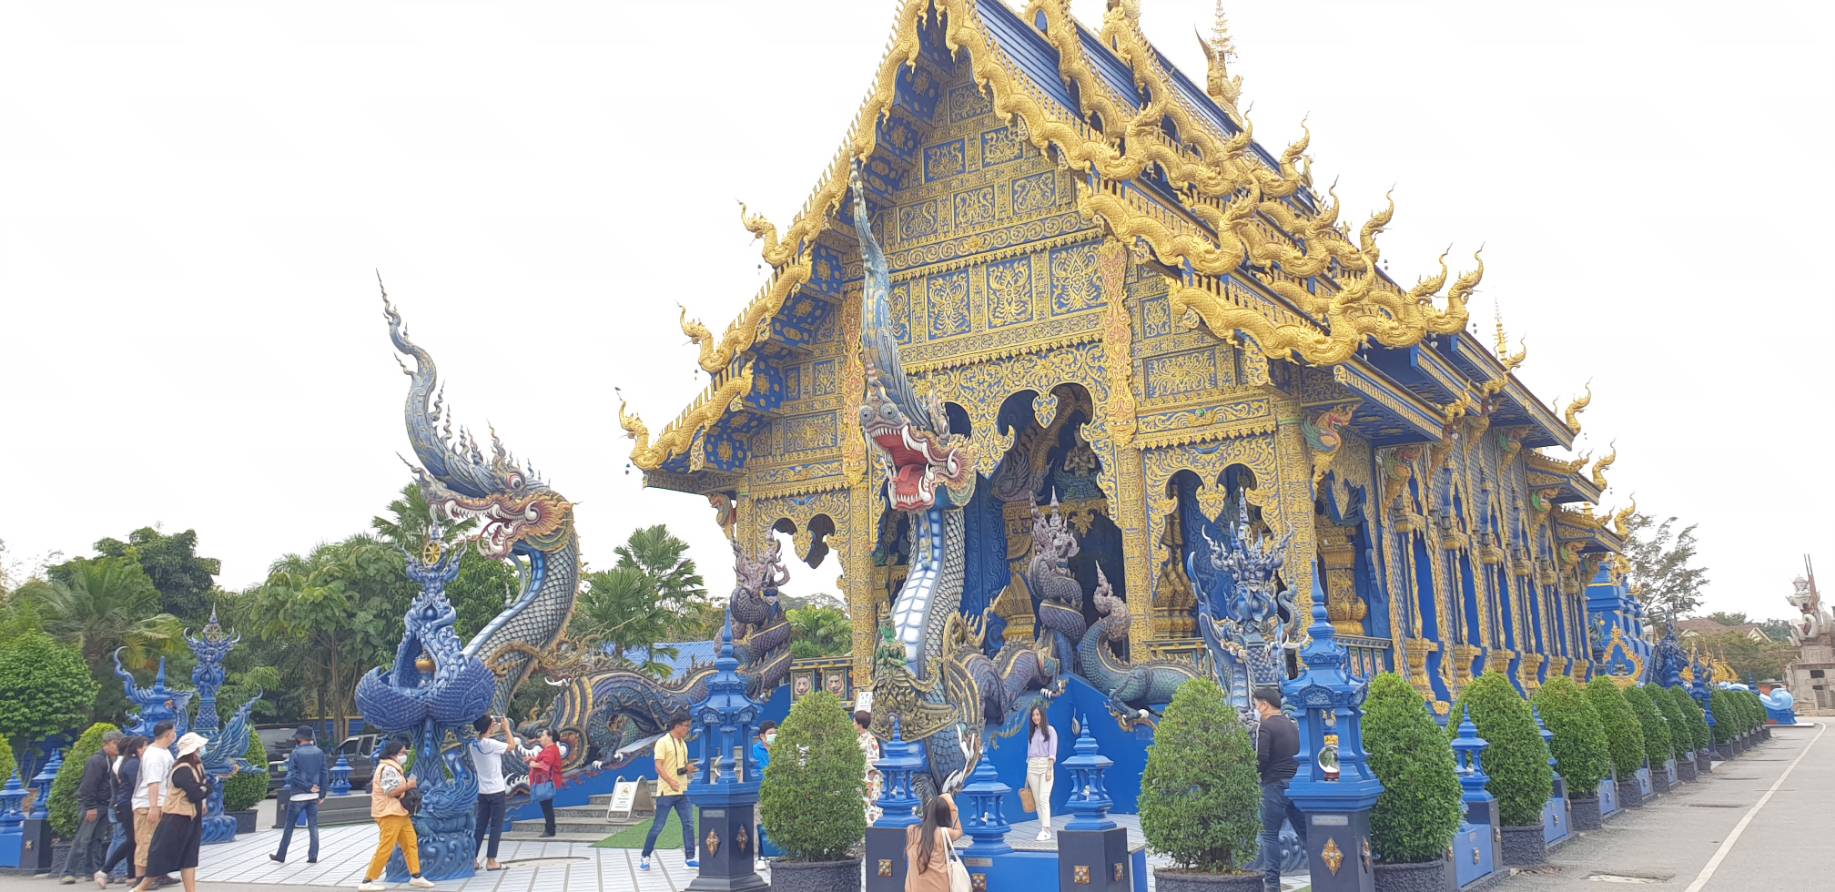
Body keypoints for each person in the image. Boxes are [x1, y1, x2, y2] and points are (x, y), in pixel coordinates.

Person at [131, 733, 223, 892]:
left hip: (191, 818)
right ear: (192, 751)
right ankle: (140, 888)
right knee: (161, 856)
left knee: (189, 857)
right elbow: (196, 792)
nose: (201, 751)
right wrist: (206, 787)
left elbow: (202, 788)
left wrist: (204, 788)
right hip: (175, 819)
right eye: (199, 749)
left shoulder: (197, 767)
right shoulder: (182, 769)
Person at [357, 739, 435, 892]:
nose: (405, 754)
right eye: (402, 752)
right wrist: (409, 785)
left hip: (398, 812)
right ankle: (367, 880)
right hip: (389, 813)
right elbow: (391, 790)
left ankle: (416, 875)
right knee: (386, 846)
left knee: (410, 842)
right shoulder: (388, 769)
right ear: (394, 754)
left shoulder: (392, 767)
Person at [1253, 687, 1304, 892]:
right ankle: (1324, 872)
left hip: (1273, 785)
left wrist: (1256, 776)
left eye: (1256, 704)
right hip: (1295, 784)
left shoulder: (1265, 727)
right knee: (1305, 832)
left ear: (1264, 704)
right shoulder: (1292, 725)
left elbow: (1262, 758)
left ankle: (1272, 883)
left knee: (1269, 835)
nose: (1256, 708)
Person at [62, 729, 122, 887]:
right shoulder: (97, 761)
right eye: (115, 743)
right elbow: (89, 786)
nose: (117, 746)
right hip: (94, 805)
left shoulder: (114, 760)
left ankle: (91, 870)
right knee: (82, 838)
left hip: (105, 804)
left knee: (97, 839)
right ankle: (68, 872)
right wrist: (90, 807)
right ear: (106, 744)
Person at [640, 715, 696, 872]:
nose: (688, 729)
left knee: (689, 824)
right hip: (666, 792)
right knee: (658, 826)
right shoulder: (662, 742)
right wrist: (670, 781)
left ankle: (690, 858)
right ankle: (645, 855)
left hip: (682, 791)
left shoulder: (683, 744)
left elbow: (680, 769)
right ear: (677, 726)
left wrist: (689, 769)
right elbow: (658, 766)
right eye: (686, 725)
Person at [470, 715, 524, 870]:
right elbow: (512, 746)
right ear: (488, 728)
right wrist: (507, 729)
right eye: (493, 723)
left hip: (483, 791)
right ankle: (491, 861)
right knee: (496, 825)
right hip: (496, 790)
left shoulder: (473, 745)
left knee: (480, 825)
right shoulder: (491, 744)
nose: (496, 725)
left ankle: (473, 859)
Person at [271, 726, 328, 864]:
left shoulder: (296, 753)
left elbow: (292, 776)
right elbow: (324, 774)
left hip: (298, 795)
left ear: (300, 738)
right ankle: (313, 855)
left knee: (289, 826)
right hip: (313, 797)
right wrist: (322, 794)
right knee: (313, 826)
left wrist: (307, 787)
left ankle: (281, 854)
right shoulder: (320, 753)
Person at [130, 722, 177, 884]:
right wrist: (153, 807)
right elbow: (153, 783)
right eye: (173, 732)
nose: (175, 734)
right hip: (147, 804)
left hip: (161, 802)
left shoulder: (165, 752)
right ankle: (141, 877)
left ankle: (159, 873)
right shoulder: (154, 755)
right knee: (146, 840)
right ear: (168, 734)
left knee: (159, 841)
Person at [102, 736, 146, 885]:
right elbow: (137, 785)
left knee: (130, 841)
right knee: (127, 840)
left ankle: (130, 874)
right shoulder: (130, 763)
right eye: (143, 746)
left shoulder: (125, 762)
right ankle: (108, 871)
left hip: (124, 804)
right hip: (126, 805)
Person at [903, 794, 963, 892]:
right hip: (939, 887)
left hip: (914, 888)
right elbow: (959, 831)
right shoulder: (943, 833)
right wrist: (952, 807)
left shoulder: (911, 831)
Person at [520, 727, 565, 838]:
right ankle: (550, 828)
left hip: (546, 782)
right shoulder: (550, 749)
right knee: (546, 805)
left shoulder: (550, 750)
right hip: (545, 781)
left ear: (550, 737)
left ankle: (550, 829)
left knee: (546, 806)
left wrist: (532, 763)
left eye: (543, 735)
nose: (541, 737)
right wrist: (533, 759)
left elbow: (545, 765)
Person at [1024, 703, 1057, 841]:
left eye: (1038, 714)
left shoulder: (1050, 730)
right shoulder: (1032, 733)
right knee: (1037, 800)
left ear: (1042, 715)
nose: (1035, 717)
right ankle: (1042, 828)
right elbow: (1029, 754)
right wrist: (1027, 775)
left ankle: (1046, 829)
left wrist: (1049, 769)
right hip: (1032, 767)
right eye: (1033, 715)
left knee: (1044, 798)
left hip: (1045, 766)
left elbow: (1052, 752)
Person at [855, 710, 881, 822]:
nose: (853, 724)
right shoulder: (858, 739)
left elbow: (874, 762)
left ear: (860, 724)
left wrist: (869, 783)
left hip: (867, 781)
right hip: (860, 779)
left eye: (854, 722)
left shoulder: (871, 740)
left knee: (870, 809)